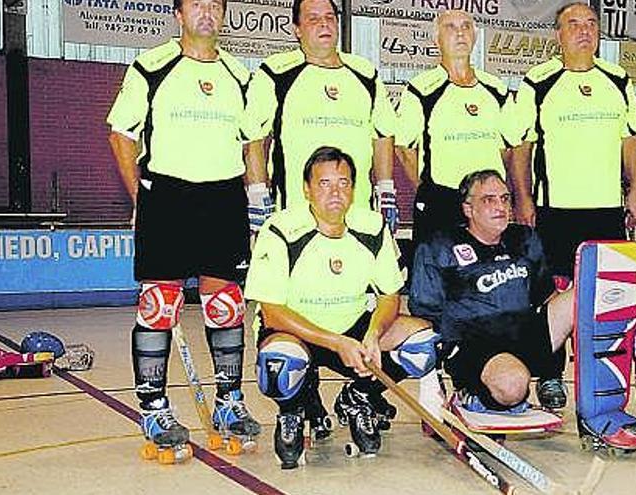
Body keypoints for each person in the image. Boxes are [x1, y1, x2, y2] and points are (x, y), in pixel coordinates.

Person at [106, 0, 263, 454]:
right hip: (167, 196)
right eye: (198, 3)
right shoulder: (151, 66)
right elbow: (121, 133)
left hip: (223, 197)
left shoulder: (240, 75)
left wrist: (258, 199)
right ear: (179, 13)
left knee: (226, 305)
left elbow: (254, 140)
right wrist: (142, 198)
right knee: (158, 305)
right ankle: (153, 407)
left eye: (215, 4)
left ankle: (229, 401)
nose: (207, 11)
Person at [410, 170, 636, 451]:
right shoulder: (438, 246)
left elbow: (547, 296)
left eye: (505, 198)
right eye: (489, 200)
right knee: (512, 386)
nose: (501, 207)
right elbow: (425, 317)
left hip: (524, 333)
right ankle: (473, 397)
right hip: (473, 345)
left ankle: (597, 412)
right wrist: (431, 382)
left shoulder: (523, 238)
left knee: (588, 294)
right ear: (468, 208)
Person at [244, 146, 436, 468]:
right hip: (296, 330)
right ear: (306, 188)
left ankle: (361, 396)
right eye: (324, 183)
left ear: (354, 188)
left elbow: (390, 295)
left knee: (424, 343)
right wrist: (336, 342)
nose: (335, 192)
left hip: (353, 327)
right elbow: (272, 311)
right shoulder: (279, 230)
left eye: (344, 183)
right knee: (279, 366)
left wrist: (373, 335)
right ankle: (291, 412)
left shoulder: (372, 226)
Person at [507, 1, 636, 408]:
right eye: (573, 24)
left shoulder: (619, 81)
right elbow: (521, 146)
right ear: (558, 35)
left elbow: (630, 140)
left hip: (606, 213)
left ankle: (604, 380)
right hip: (555, 213)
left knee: (608, 300)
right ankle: (550, 376)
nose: (584, 31)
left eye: (590, 24)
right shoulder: (538, 82)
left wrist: (635, 189)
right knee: (552, 299)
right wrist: (524, 198)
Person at [243, 0, 399, 231]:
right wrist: (257, 194)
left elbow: (383, 135)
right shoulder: (275, 72)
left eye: (329, 18)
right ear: (297, 29)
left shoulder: (366, 73)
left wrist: (386, 190)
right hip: (296, 217)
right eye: (313, 19)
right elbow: (253, 138)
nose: (323, 25)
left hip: (357, 214)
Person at [395, 9, 514, 246]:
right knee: (439, 278)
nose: (460, 33)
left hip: (488, 204)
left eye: (466, 26)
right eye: (451, 27)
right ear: (436, 39)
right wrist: (428, 191)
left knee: (487, 273)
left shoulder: (497, 89)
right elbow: (404, 150)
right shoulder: (420, 89)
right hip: (441, 202)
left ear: (475, 36)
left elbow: (508, 149)